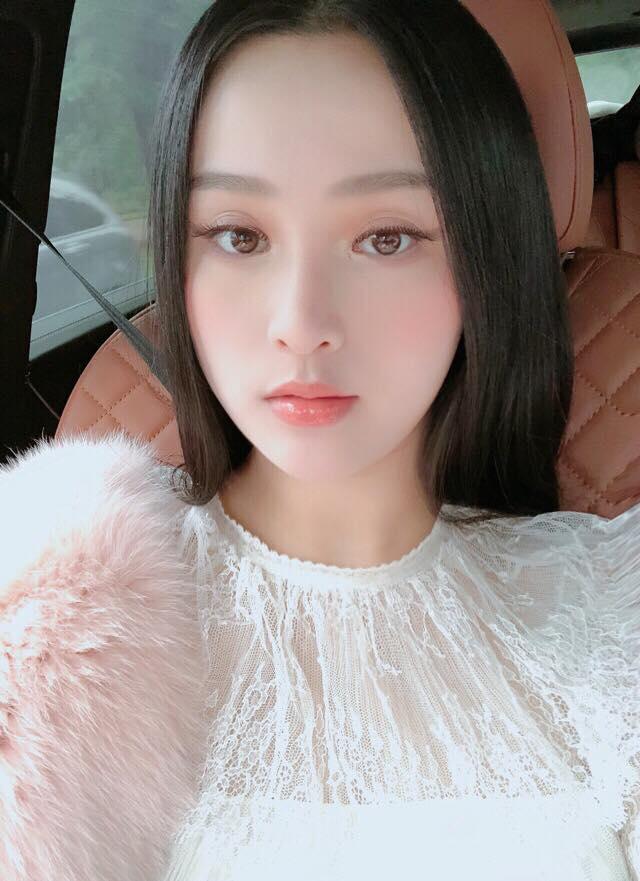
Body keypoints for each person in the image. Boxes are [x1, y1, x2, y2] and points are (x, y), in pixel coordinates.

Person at [1, 1, 638, 880]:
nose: (301, 323)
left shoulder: (611, 609)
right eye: (239, 236)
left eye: (386, 237)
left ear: (485, 257)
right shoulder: (51, 610)